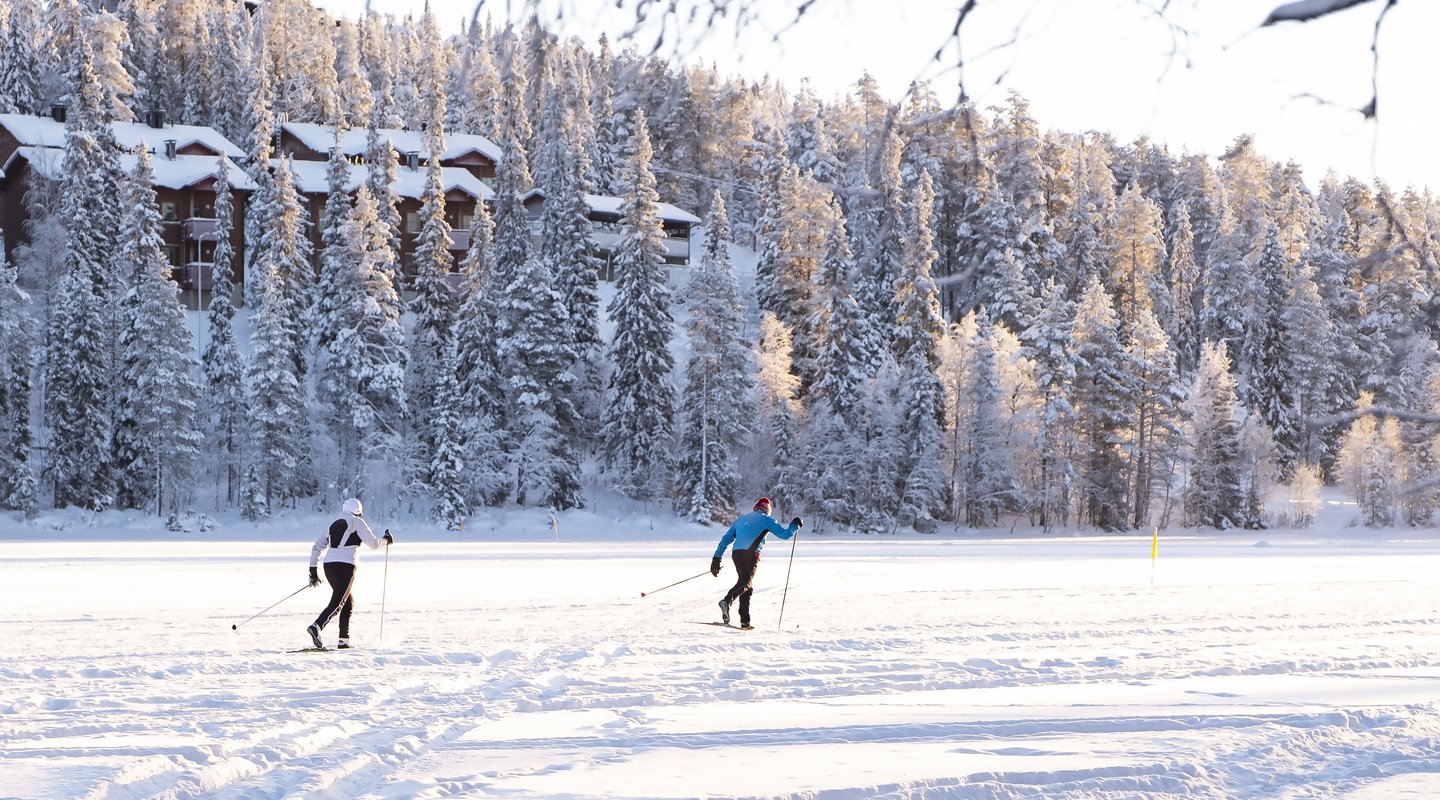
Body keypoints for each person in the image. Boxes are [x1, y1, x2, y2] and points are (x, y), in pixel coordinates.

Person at [306, 497, 392, 649]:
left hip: (329, 567)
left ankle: (343, 641)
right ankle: (316, 626)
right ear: (359, 512)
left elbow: (317, 547)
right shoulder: (357, 522)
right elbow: (373, 544)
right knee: (339, 602)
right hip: (346, 566)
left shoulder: (333, 524)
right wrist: (386, 539)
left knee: (347, 601)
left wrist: (313, 572)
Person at [711, 497, 802, 629]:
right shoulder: (766, 519)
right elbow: (785, 535)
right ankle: (726, 601)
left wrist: (716, 559)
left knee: (746, 585)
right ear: (767, 509)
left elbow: (726, 539)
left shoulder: (741, 520)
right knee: (746, 583)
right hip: (751, 554)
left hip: (736, 554)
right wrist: (795, 525)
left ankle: (745, 620)